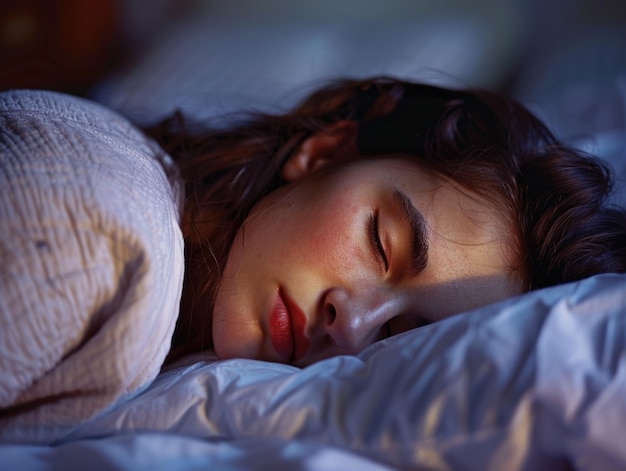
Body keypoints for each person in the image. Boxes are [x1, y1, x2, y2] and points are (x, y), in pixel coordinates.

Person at [146, 76, 626, 367]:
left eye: (397, 335)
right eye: (380, 243)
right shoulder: (111, 214)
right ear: (325, 153)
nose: (351, 325)